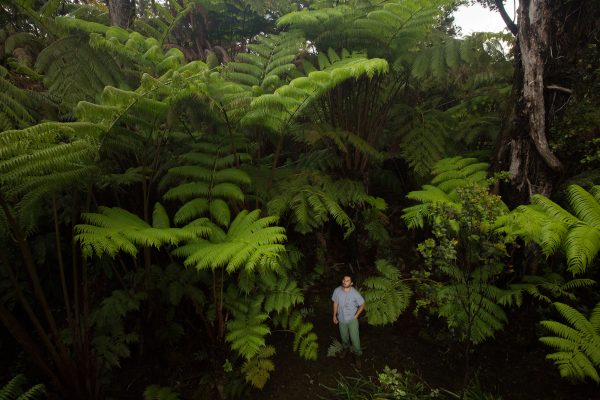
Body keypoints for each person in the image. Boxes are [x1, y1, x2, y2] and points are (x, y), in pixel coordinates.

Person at [332, 274, 365, 366]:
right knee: (344, 337)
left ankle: (357, 355)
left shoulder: (354, 293)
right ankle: (345, 349)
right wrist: (334, 316)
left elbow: (362, 304)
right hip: (341, 319)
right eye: (344, 280)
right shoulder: (337, 290)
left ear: (351, 283)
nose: (344, 282)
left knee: (355, 339)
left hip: (352, 320)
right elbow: (335, 303)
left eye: (347, 281)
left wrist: (356, 315)